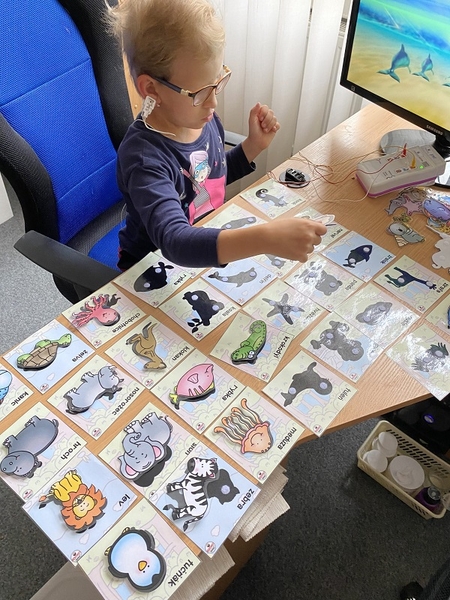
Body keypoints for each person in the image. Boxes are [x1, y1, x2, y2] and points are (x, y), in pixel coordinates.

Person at [108, 0, 326, 271]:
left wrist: (252, 146)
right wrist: (265, 238)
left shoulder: (201, 119)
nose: (213, 102)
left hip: (202, 249)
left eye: (217, 83)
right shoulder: (144, 159)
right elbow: (175, 241)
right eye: (200, 92)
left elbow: (211, 179)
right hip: (151, 268)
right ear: (151, 89)